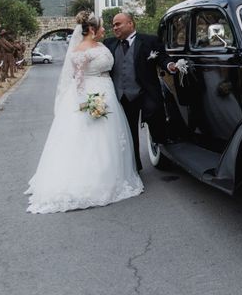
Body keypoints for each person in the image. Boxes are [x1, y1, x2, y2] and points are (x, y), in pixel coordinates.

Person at [25, 11, 143, 213]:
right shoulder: (80, 50)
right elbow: (78, 80)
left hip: (108, 92)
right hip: (92, 95)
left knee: (109, 138)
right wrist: (87, 103)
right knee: (90, 138)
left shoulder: (102, 45)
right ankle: (90, 180)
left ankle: (111, 172)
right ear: (93, 29)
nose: (106, 29)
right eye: (103, 26)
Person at [104, 12, 177, 171]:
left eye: (118, 24)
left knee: (156, 117)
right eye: (113, 25)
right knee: (129, 133)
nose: (114, 27)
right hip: (121, 96)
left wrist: (170, 65)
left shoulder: (149, 40)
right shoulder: (108, 43)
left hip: (145, 93)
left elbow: (163, 58)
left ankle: (162, 146)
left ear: (130, 24)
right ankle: (134, 167)